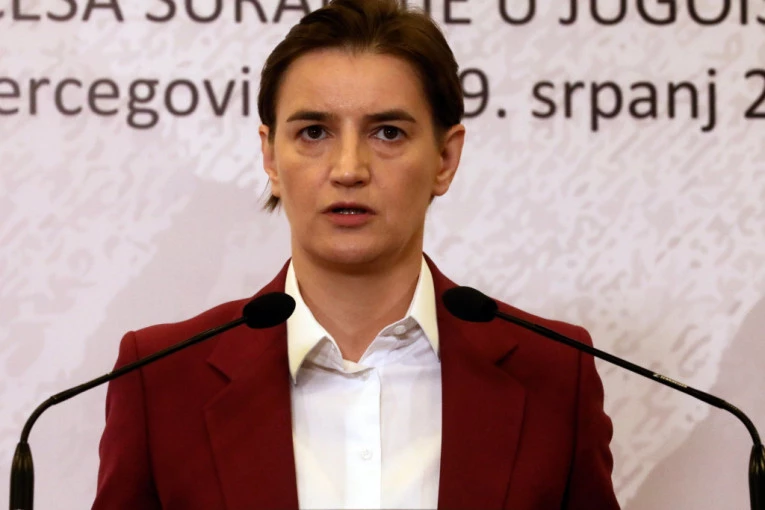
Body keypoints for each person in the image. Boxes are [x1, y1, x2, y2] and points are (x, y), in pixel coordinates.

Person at [92, 0, 620, 508]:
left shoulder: (554, 374)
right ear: (270, 157)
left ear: (444, 158)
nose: (348, 169)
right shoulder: (162, 379)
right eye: (313, 133)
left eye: (388, 133)